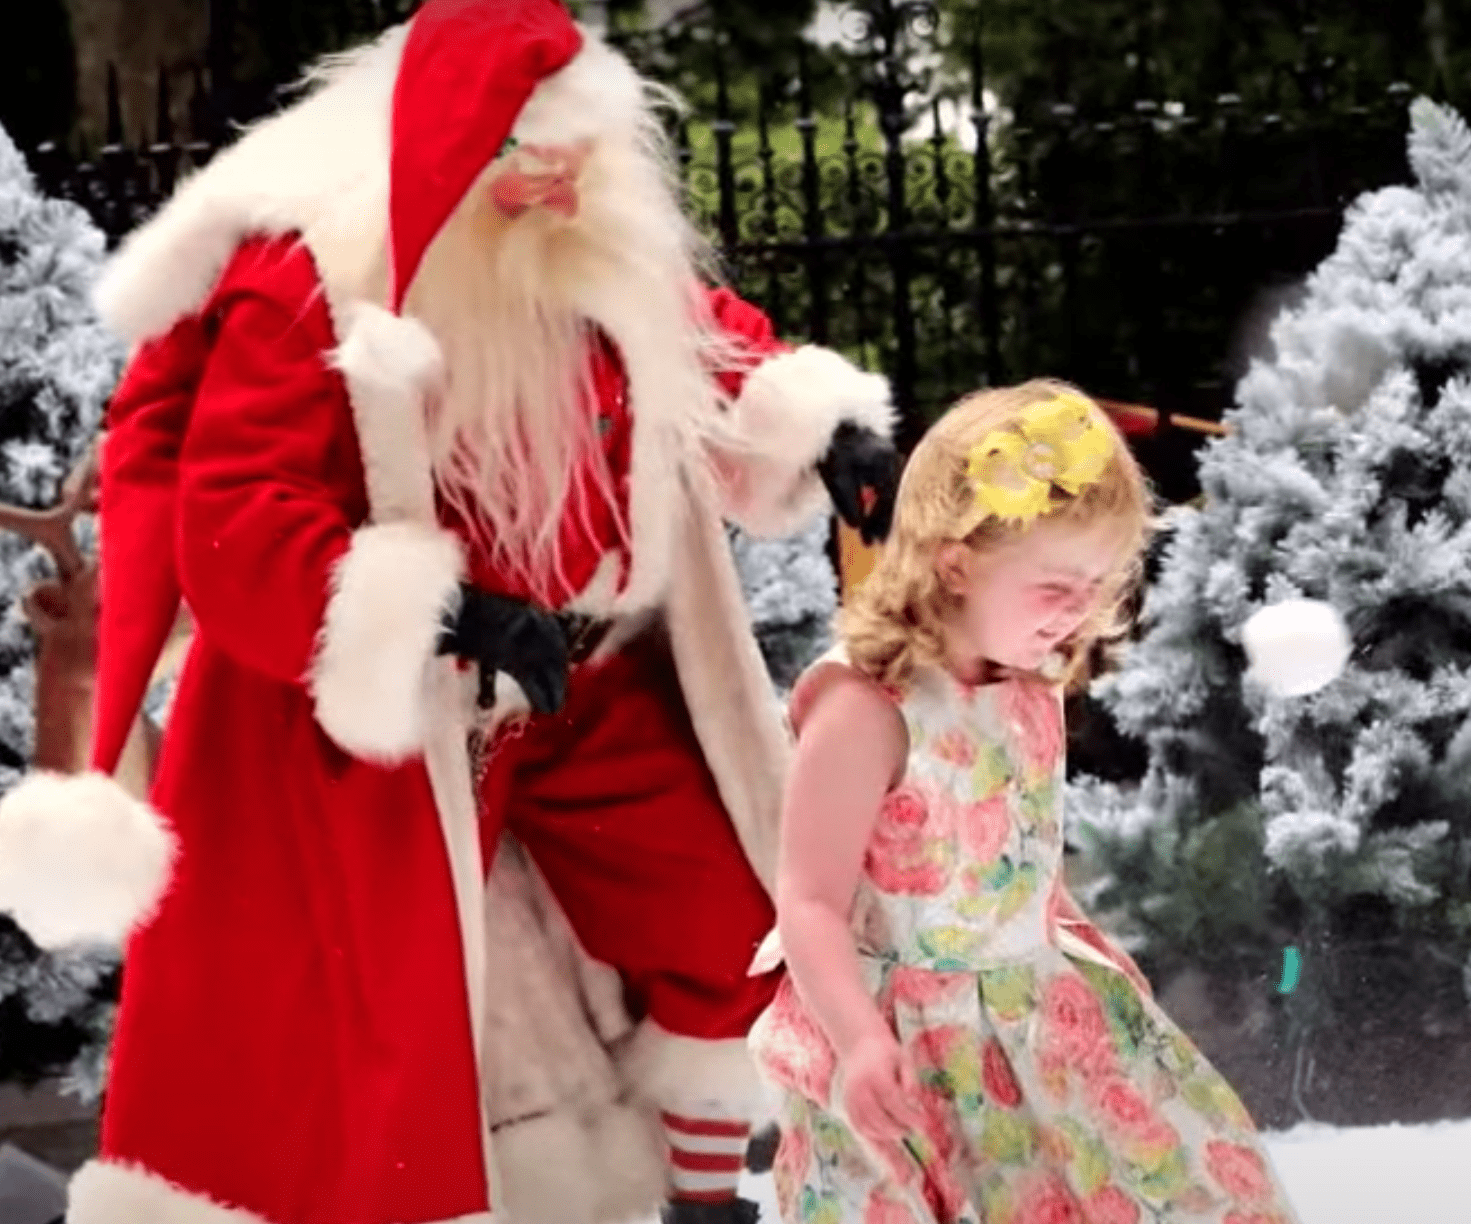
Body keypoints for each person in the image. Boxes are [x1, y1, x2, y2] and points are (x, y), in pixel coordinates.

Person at [0, 2, 901, 1223]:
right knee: (385, 1026)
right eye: (527, 156)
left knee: (730, 912)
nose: (560, 181)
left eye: (580, 151)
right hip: (388, 730)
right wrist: (439, 617)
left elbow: (708, 344)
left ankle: (705, 1203)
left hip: (591, 681)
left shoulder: (589, 246)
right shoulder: (312, 280)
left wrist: (825, 428)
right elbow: (240, 510)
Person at [749, 381, 1301, 1224]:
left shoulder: (1030, 681)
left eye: (1098, 584)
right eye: (1056, 587)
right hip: (905, 1032)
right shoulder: (871, 706)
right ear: (957, 560)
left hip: (1033, 1011)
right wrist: (859, 1042)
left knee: (1167, 1182)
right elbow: (810, 901)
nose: (1079, 611)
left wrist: (1085, 945)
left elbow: (1018, 850)